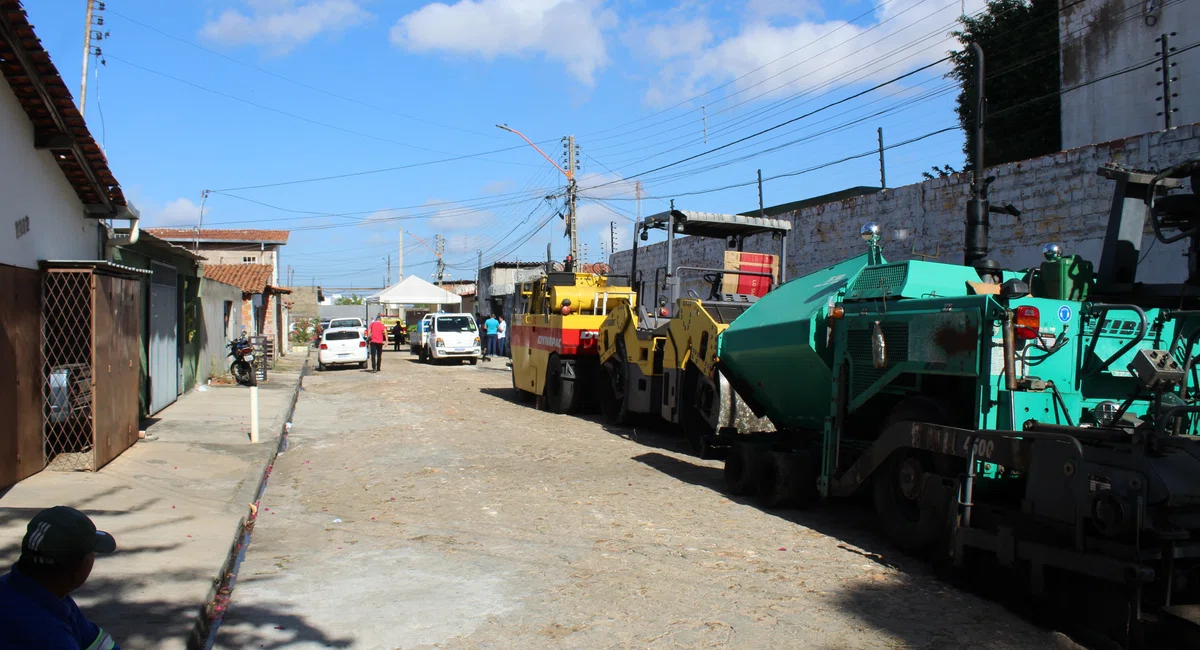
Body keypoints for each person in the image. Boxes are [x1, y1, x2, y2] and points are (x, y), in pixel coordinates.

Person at [0, 506, 120, 650]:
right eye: (91, 553)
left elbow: (97, 643)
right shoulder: (51, 636)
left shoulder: (45, 595)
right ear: (78, 569)